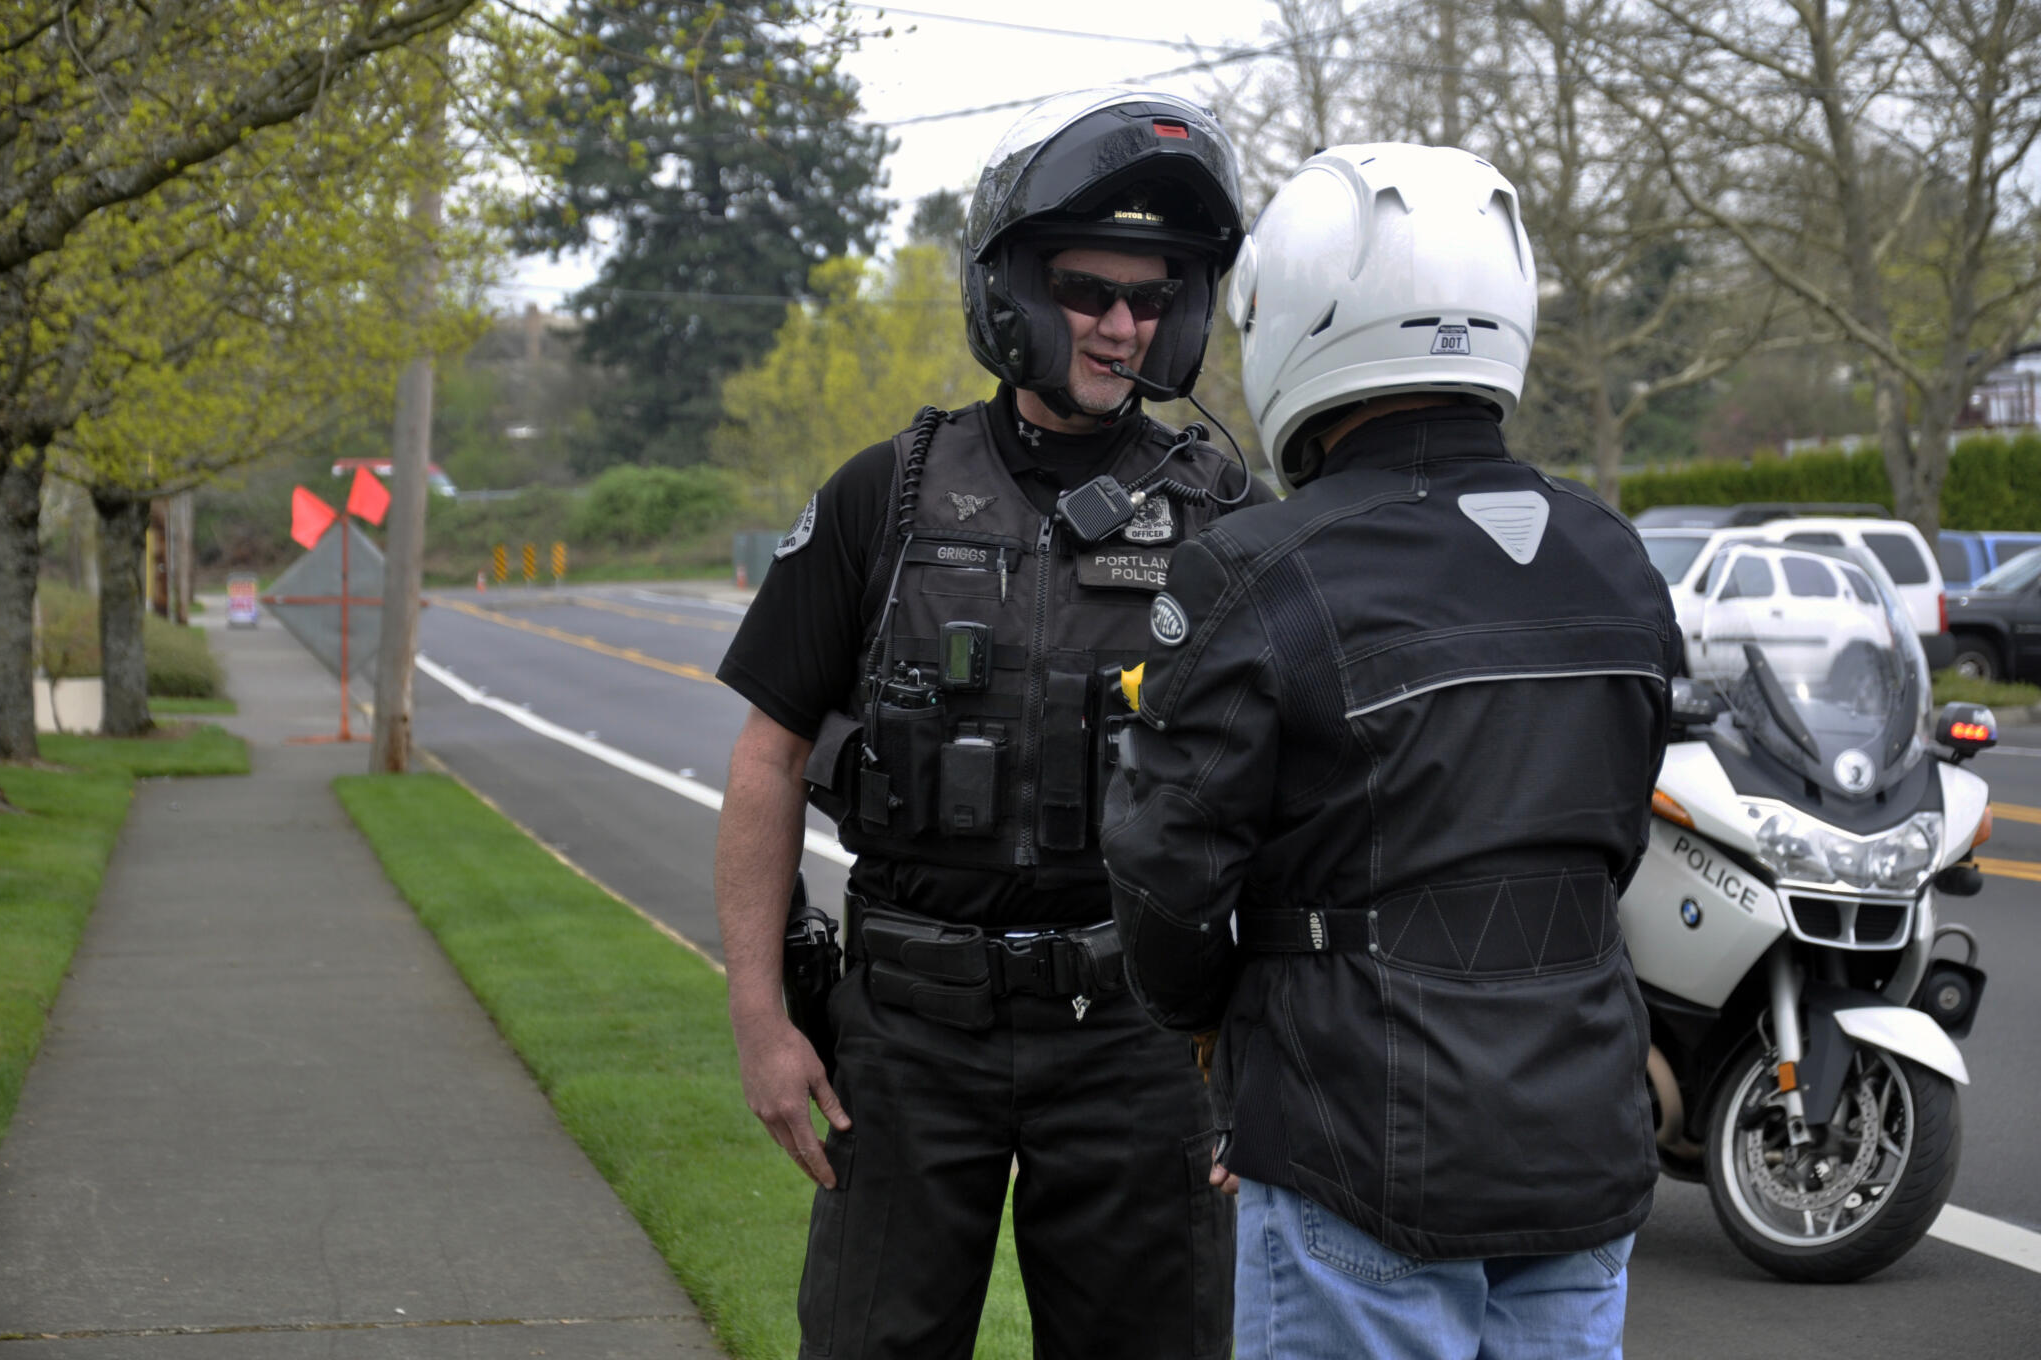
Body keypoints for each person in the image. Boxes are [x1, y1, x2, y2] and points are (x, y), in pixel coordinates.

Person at [712, 87, 1270, 1360]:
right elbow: (767, 758)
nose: (1119, 323)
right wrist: (760, 1018)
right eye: (1085, 287)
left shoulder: (1229, 518)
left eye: (1149, 294)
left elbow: (1292, 797)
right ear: (1010, 288)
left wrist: (1268, 1060)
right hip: (906, 1040)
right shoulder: (884, 496)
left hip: (1139, 1046)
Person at [1102, 143, 1680, 1360]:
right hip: (1580, 1126)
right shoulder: (1613, 558)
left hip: (1351, 1130)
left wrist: (1212, 1022)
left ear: (1298, 321)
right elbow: (1610, 839)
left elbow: (1164, 876)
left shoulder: (1254, 569)